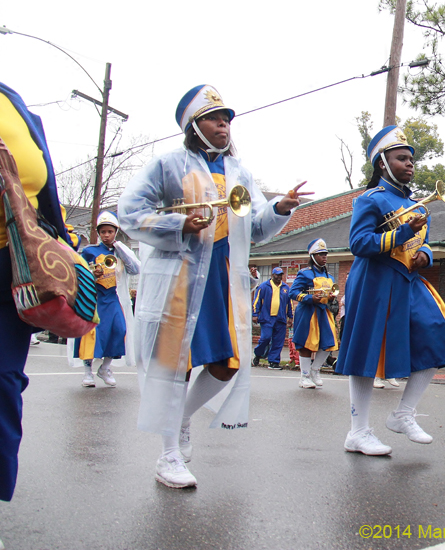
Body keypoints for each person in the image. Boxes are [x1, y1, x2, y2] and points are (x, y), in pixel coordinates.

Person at [118, 85, 307, 488]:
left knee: (227, 365)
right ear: (194, 125)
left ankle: (182, 418)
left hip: (223, 278)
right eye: (215, 118)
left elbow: (255, 227)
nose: (225, 124)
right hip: (179, 279)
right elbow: (131, 213)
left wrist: (280, 208)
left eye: (228, 119)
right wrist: (178, 223)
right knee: (176, 367)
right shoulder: (168, 165)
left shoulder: (239, 172)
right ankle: (168, 454)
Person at [334, 125, 445, 455]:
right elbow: (359, 244)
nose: (410, 164)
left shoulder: (419, 205)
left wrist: (427, 255)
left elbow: (420, 243)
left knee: (437, 338)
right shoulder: (370, 199)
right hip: (374, 283)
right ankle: (358, 431)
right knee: (367, 354)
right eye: (401, 158)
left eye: (411, 159)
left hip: (408, 281)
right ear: (382, 162)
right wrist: (400, 233)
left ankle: (403, 414)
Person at [0, 81, 80, 502]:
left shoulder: (12, 101)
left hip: (10, 264)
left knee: (3, 382)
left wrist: (64, 247)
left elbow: (43, 190)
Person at [72, 211, 140, 387]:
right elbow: (76, 272)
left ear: (115, 232)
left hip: (112, 298)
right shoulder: (89, 251)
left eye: (110, 231)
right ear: (99, 233)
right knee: (91, 335)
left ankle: (105, 367)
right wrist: (90, 273)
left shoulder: (120, 251)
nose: (107, 235)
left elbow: (135, 269)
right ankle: (87, 372)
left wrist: (120, 249)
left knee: (119, 330)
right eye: (103, 232)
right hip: (93, 298)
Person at [289, 239, 339, 388]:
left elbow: (331, 293)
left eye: (325, 254)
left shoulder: (330, 277)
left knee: (329, 343)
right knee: (305, 343)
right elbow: (293, 293)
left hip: (324, 312)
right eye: (320, 254)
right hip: (307, 312)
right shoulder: (304, 274)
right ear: (313, 256)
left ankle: (315, 370)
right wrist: (310, 298)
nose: (324, 257)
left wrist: (330, 297)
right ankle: (304, 376)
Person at [252, 267, 292, 370]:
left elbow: (289, 303)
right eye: (276, 275)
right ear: (272, 275)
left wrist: (290, 317)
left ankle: (273, 362)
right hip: (267, 318)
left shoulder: (285, 288)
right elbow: (256, 300)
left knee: (278, 341)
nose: (278, 277)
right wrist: (255, 314)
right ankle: (258, 354)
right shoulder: (263, 286)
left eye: (280, 275)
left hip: (280, 319)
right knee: (265, 337)